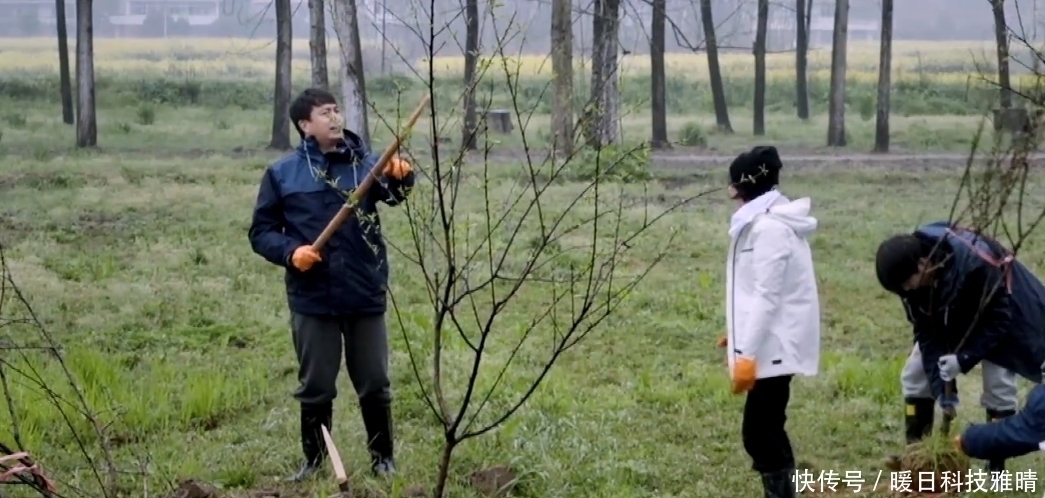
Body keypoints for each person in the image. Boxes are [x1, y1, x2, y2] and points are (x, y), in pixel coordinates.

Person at [247, 88, 416, 482]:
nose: (336, 117)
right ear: (306, 125)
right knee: (317, 386)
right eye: (326, 112)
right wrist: (292, 253)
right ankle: (314, 462)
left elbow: (393, 196)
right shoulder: (282, 174)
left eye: (337, 110)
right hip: (313, 297)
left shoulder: (367, 164)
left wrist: (403, 177)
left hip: (364, 291)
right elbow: (261, 232)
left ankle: (383, 459)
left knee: (374, 382)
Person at [875, 222, 1045, 473]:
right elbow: (927, 334)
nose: (907, 290)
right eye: (901, 289)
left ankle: (995, 469)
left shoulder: (974, 263)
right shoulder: (907, 277)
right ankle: (917, 458)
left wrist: (963, 360)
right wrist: (941, 389)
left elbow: (998, 321)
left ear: (923, 263)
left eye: (908, 283)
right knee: (914, 375)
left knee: (998, 386)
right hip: (953, 318)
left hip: (1002, 318)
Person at [719, 145, 821, 498]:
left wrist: (746, 352)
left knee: (760, 434)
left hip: (773, 347)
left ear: (744, 188)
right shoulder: (765, 223)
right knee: (767, 428)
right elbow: (755, 292)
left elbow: (767, 295)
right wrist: (735, 332)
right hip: (767, 340)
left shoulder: (769, 229)